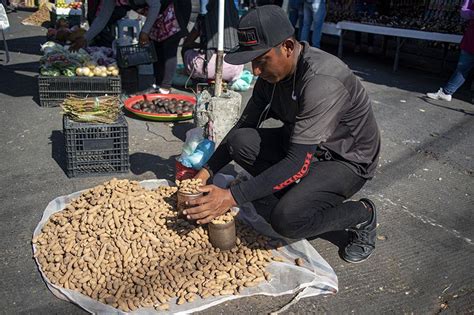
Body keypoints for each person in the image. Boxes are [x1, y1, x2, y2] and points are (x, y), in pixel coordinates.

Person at [183, 5, 381, 263]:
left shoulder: (322, 81)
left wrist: (231, 197)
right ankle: (297, 196)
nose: (254, 71)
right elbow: (243, 126)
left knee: (287, 220)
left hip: (345, 158)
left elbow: (297, 162)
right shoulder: (270, 77)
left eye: (261, 60)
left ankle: (362, 214)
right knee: (240, 141)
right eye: (251, 61)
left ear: (287, 47)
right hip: (305, 144)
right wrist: (207, 171)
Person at [181, 0, 244, 83]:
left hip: (204, 69)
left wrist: (203, 45)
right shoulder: (237, 20)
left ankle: (194, 77)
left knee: (185, 48)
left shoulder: (203, 19)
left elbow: (188, 43)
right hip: (233, 70)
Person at [427, 0, 474, 102]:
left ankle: (446, 92)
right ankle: (446, 93)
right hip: (471, 39)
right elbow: (464, 12)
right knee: (462, 68)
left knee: (463, 68)